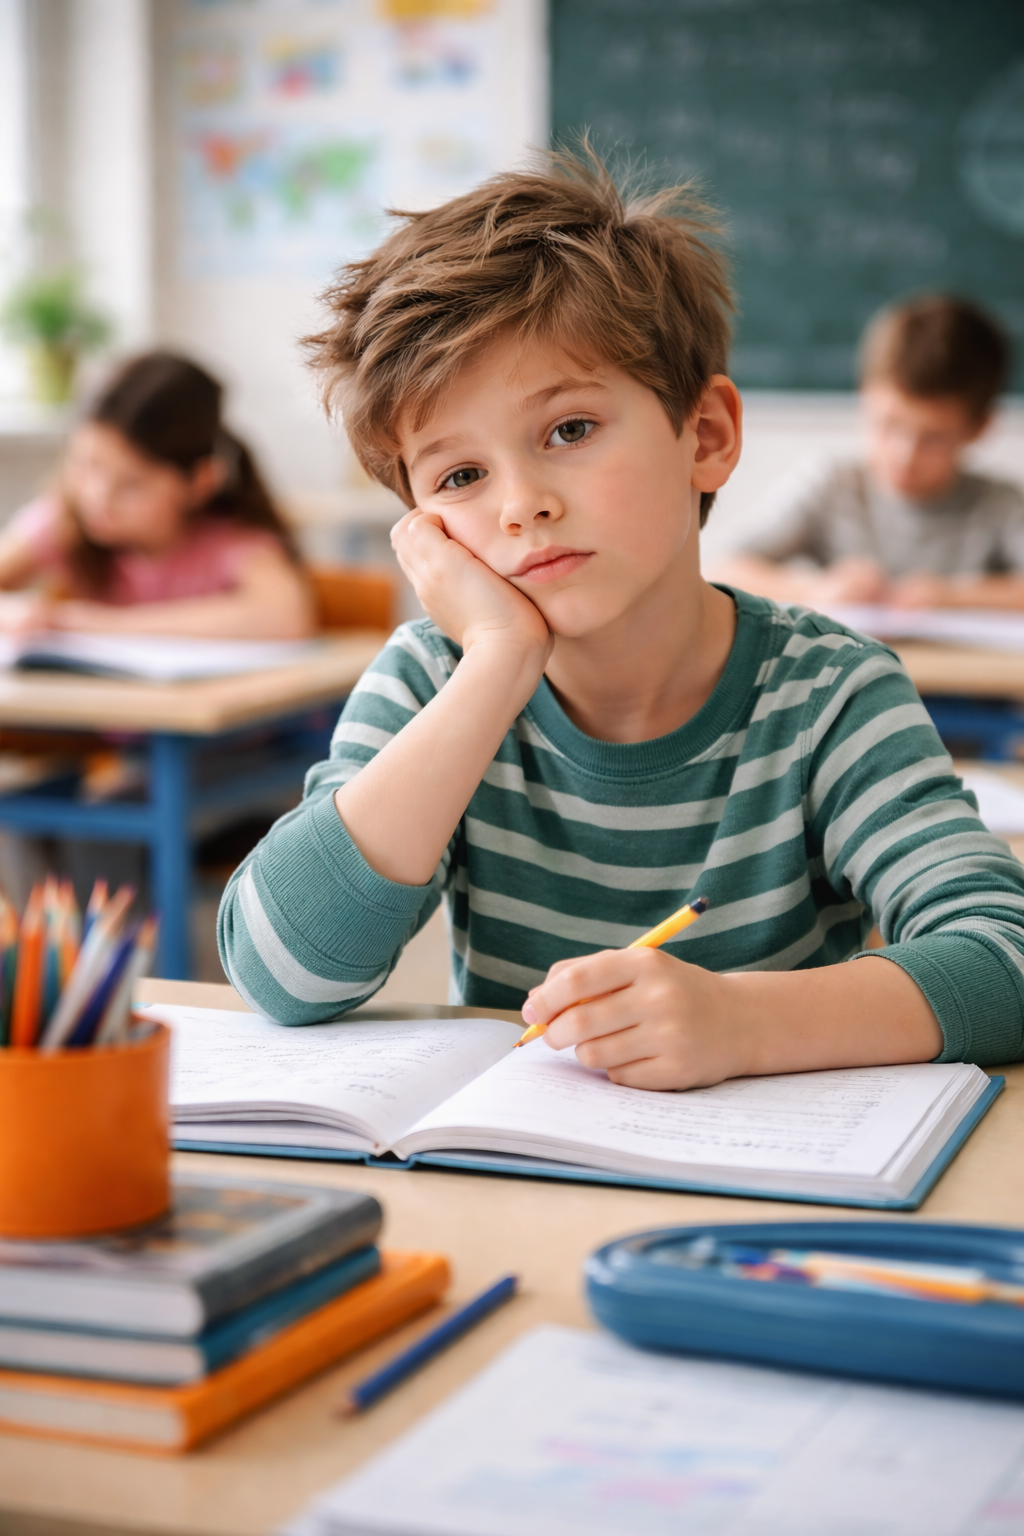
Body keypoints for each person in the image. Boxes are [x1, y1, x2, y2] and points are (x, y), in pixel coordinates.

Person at [218, 150, 1024, 1086]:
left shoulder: (830, 694)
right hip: (515, 1189)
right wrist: (497, 663)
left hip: (772, 1204)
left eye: (570, 430)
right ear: (421, 527)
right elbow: (281, 975)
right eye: (461, 477)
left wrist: (739, 1023)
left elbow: (1004, 958)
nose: (521, 504)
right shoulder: (433, 682)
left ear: (706, 437)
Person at [720, 296, 1024, 610]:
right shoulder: (833, 485)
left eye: (933, 437)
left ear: (979, 427)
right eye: (889, 424)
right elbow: (723, 569)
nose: (905, 454)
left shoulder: (999, 505)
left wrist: (953, 597)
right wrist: (819, 590)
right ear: (864, 395)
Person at [0, 351, 314, 638]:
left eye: (132, 484)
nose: (98, 497)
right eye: (85, 464)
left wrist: (95, 623)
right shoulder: (61, 523)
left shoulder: (232, 541)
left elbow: (285, 618)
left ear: (200, 482)